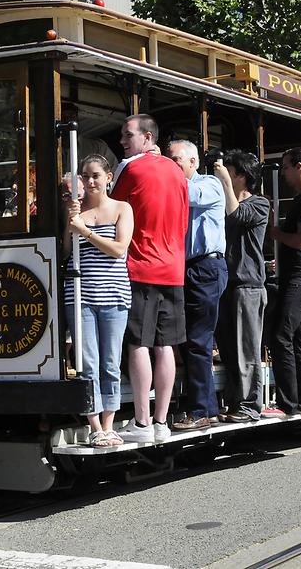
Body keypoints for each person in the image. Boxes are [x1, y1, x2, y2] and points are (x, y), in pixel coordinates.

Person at [111, 114, 189, 444]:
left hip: (141, 266)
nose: (123, 141)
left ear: (147, 137)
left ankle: (141, 421)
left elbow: (110, 209)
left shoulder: (130, 168)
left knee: (138, 343)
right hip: (173, 268)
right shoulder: (177, 171)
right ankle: (161, 421)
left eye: (128, 135)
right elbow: (185, 221)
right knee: (165, 345)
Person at [62, 155, 134, 447]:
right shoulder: (76, 213)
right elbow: (67, 253)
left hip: (114, 295)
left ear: (108, 178)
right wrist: (71, 225)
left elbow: (119, 249)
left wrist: (86, 232)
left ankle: (109, 422)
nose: (90, 181)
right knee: (87, 363)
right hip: (79, 296)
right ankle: (95, 426)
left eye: (95, 176)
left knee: (110, 363)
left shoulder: (122, 209)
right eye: (86, 176)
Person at [166, 140, 227, 431]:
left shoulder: (210, 184)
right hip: (186, 267)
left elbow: (187, 195)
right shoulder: (179, 183)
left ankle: (200, 410)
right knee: (190, 340)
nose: (170, 165)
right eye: (168, 160)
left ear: (193, 162)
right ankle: (208, 408)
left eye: (176, 160)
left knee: (199, 340)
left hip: (206, 266)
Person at [265, 147, 301, 418]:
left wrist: (276, 233)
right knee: (298, 339)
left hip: (300, 279)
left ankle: (287, 403)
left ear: (299, 167)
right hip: (297, 276)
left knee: (281, 337)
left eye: (286, 167)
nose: (284, 172)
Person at [213, 149, 269, 422]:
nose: (225, 174)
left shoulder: (260, 204)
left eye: (229, 171)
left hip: (248, 285)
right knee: (229, 349)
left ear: (241, 176)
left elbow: (236, 215)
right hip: (227, 283)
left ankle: (249, 406)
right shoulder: (226, 201)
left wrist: (222, 180)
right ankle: (235, 402)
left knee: (246, 349)